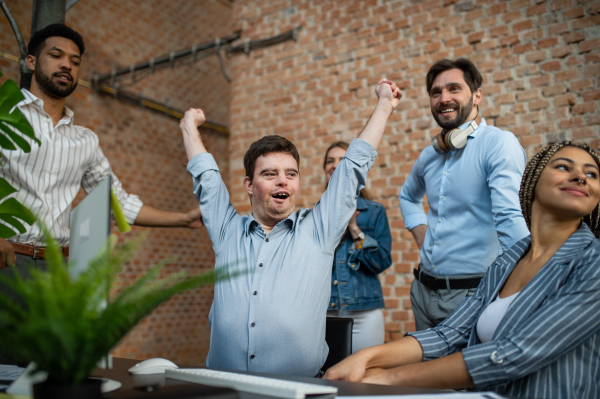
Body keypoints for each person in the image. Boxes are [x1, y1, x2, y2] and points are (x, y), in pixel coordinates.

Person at [325, 141, 600, 399]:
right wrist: (366, 359)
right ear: (532, 181)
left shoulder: (593, 261)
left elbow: (516, 352)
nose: (581, 177)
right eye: (564, 167)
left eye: (592, 174)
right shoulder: (507, 262)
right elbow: (450, 333)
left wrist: (387, 378)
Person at [179, 79, 402, 377]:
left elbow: (352, 168)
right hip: (225, 386)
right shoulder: (226, 230)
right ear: (249, 185)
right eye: (270, 174)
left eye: (291, 174)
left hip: (298, 389)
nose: (282, 180)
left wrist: (384, 105)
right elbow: (206, 178)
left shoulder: (320, 229)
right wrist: (189, 127)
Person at [0, 24, 202, 271]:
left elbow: (118, 203)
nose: (67, 65)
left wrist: (184, 219)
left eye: (75, 62)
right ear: (31, 62)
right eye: (56, 56)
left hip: (56, 269)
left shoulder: (85, 141)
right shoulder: (5, 116)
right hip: (6, 257)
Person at [399, 58, 529, 330]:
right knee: (426, 373)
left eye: (454, 89)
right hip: (422, 293)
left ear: (477, 95)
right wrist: (422, 237)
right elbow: (407, 197)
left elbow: (509, 216)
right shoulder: (429, 155)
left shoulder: (497, 143)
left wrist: (524, 283)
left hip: (473, 295)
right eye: (436, 92)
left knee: (464, 373)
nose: (444, 98)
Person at [323, 141, 392, 353]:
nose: (335, 165)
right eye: (329, 161)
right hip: (326, 311)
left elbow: (381, 261)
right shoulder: (317, 213)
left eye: (342, 160)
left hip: (365, 312)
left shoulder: (375, 211)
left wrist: (354, 228)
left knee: (366, 376)